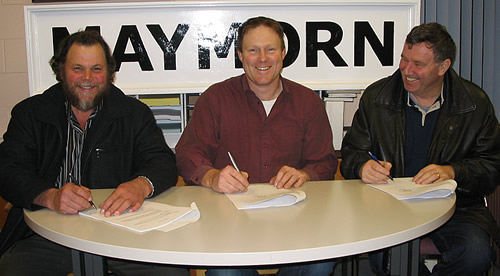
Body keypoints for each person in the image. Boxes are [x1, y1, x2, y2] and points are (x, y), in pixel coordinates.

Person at [0, 30, 188, 275]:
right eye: (77, 68)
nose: (87, 78)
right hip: (45, 235)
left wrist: (141, 185)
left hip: (122, 233)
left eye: (97, 69)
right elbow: (7, 169)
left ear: (109, 74)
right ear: (61, 71)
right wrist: (49, 196)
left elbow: (162, 162)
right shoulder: (30, 113)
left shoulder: (134, 114)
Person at [176, 16, 337, 275]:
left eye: (270, 49)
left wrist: (304, 174)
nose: (263, 59)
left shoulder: (308, 103)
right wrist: (211, 176)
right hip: (228, 224)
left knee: (321, 263)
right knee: (224, 271)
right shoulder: (215, 99)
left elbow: (326, 162)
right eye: (253, 50)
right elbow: (187, 153)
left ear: (283, 53)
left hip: (295, 223)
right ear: (240, 55)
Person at [341, 22, 500, 275]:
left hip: (458, 206)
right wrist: (363, 166)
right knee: (388, 260)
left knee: (475, 254)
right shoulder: (376, 97)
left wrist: (452, 172)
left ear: (443, 67)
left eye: (419, 64)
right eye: (404, 59)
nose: (407, 70)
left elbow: (491, 167)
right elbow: (351, 152)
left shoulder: (475, 104)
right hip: (388, 205)